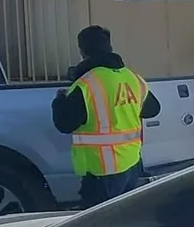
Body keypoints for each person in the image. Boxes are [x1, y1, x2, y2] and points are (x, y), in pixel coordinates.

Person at [51, 25, 161, 208]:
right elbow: (153, 109)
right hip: (132, 165)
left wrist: (59, 100)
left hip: (103, 171)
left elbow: (64, 124)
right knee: (125, 215)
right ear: (109, 47)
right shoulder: (132, 78)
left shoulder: (86, 84)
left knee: (99, 221)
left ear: (82, 51)